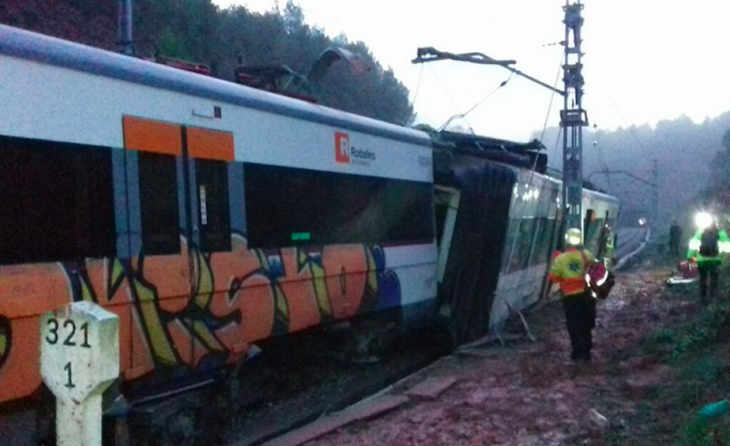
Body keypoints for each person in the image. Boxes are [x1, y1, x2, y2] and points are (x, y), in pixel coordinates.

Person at [549, 228, 596, 362]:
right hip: (586, 296)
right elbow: (595, 270)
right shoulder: (586, 255)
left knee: (573, 325)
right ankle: (587, 352)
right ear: (580, 240)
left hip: (570, 298)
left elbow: (554, 279)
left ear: (566, 241)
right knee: (585, 324)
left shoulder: (560, 259)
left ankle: (577, 352)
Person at [687, 214, 730, 302]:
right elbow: (728, 248)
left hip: (702, 260)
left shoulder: (700, 232)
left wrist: (690, 256)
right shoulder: (721, 233)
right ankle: (713, 296)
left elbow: (693, 246)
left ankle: (703, 297)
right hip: (715, 260)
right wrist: (723, 255)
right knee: (714, 278)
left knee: (703, 277)